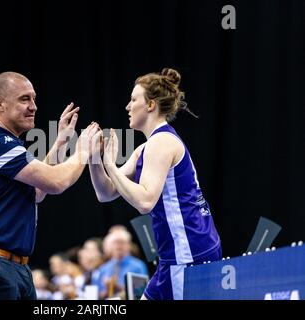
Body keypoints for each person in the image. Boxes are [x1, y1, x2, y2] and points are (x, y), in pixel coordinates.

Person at [0, 71, 98, 300]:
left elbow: (38, 192)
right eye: (24, 99)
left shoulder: (8, 144)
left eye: (34, 99)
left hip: (12, 267)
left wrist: (61, 142)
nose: (34, 107)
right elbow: (56, 182)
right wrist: (83, 151)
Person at [88, 68, 222, 300]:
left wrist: (110, 164)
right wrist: (94, 159)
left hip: (189, 252)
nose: (128, 107)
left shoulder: (162, 142)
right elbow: (107, 192)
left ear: (150, 105)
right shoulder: (145, 148)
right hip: (174, 256)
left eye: (133, 100)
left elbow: (145, 201)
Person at [91, 229, 148, 299]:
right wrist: (108, 289)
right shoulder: (103, 268)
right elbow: (96, 295)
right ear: (110, 246)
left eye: (122, 242)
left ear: (129, 245)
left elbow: (141, 293)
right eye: (115, 242)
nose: (118, 246)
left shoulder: (138, 266)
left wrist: (117, 287)